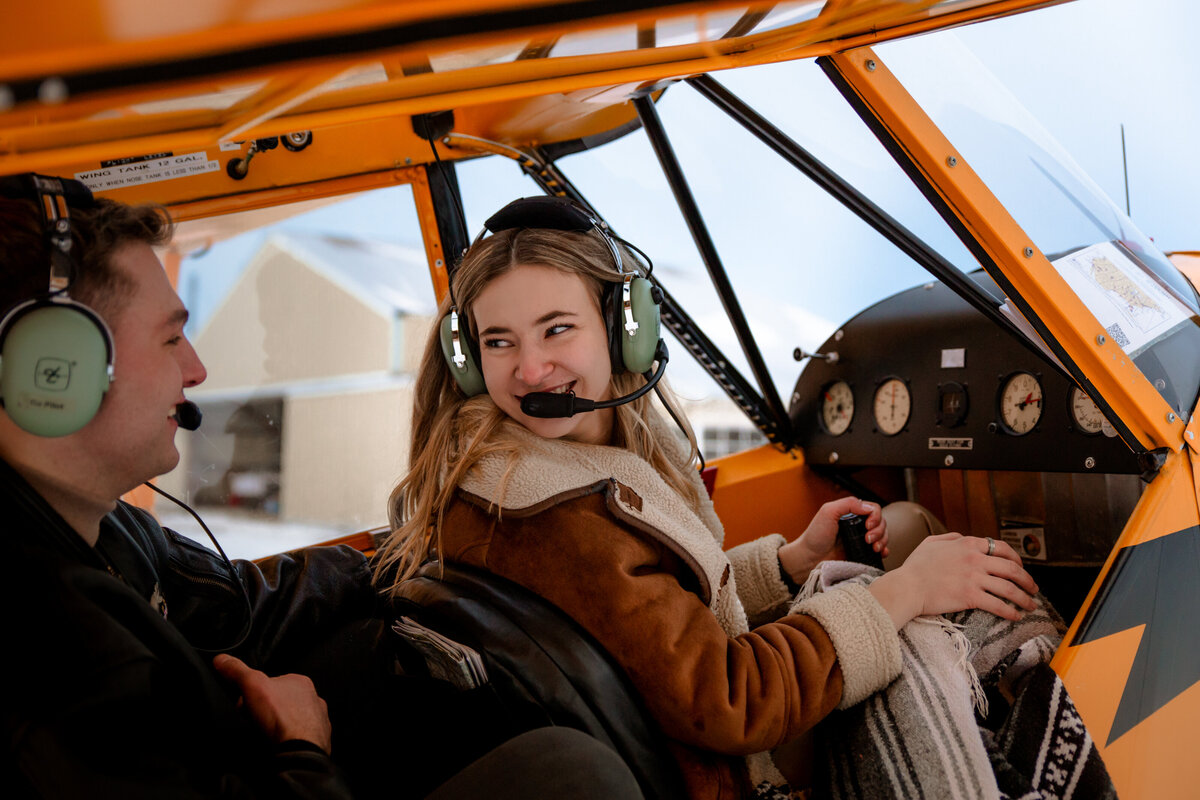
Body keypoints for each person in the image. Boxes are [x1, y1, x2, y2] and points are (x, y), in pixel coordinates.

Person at [376, 196, 1041, 800]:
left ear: (622, 330)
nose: (529, 368)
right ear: (467, 359)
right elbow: (733, 699)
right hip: (734, 772)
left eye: (556, 329)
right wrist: (906, 594)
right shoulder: (554, 514)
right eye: (500, 342)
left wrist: (786, 567)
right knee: (917, 560)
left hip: (685, 737)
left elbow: (648, 626)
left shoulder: (533, 473)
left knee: (903, 534)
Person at [0, 178, 643, 800]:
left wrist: (404, 555)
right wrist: (300, 751)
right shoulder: (52, 658)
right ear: (54, 372)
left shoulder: (104, 530)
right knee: (573, 774)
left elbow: (238, 607)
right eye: (170, 337)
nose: (196, 368)